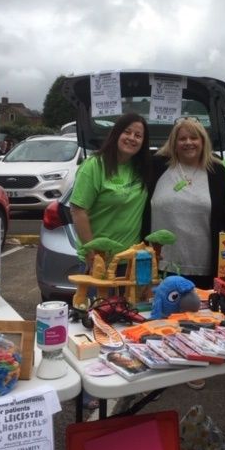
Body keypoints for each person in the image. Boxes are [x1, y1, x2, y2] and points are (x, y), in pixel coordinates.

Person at [70, 113, 152, 408]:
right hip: (100, 263)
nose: (132, 138)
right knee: (94, 325)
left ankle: (123, 375)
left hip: (128, 263)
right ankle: (90, 390)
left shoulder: (141, 169)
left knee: (126, 323)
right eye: (127, 132)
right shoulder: (95, 166)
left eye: (138, 135)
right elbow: (78, 209)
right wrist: (92, 253)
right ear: (116, 134)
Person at [149, 117, 225, 390]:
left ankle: (196, 362)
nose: (188, 143)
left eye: (193, 138)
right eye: (182, 138)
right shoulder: (156, 167)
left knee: (197, 313)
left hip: (202, 257)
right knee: (163, 311)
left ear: (203, 141)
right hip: (161, 259)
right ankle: (161, 360)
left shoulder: (217, 171)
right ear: (173, 142)